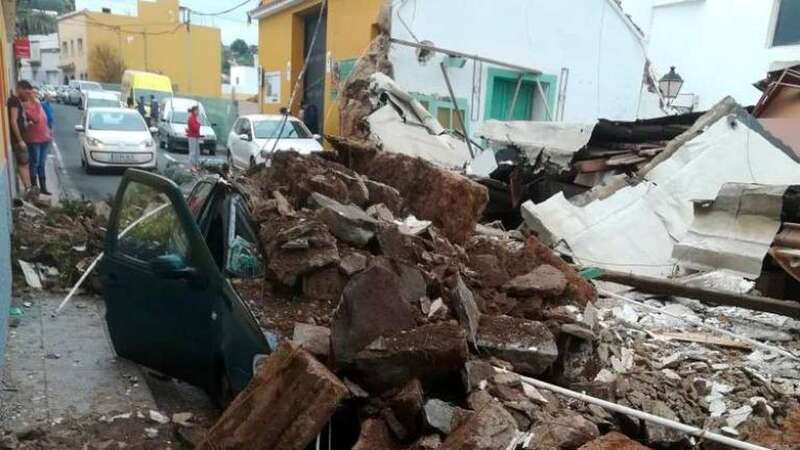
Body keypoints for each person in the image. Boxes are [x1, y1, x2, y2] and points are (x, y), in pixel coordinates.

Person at [23, 86, 53, 196]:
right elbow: (35, 119)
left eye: (36, 93)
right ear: (28, 95)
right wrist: (36, 105)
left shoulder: (40, 106)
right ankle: (35, 188)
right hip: (34, 139)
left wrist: (50, 131)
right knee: (34, 163)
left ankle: (44, 187)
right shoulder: (27, 106)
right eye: (33, 93)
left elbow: (46, 120)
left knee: (42, 163)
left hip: (45, 138)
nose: (35, 95)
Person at [7, 81, 32, 192]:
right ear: (20, 89)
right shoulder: (14, 101)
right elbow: (13, 121)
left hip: (22, 138)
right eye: (26, 93)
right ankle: (28, 189)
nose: (28, 95)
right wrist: (20, 140)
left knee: (25, 163)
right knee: (23, 164)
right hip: (18, 140)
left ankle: (30, 188)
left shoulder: (18, 101)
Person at [186, 105, 202, 172]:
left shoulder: (195, 117)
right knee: (192, 152)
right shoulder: (191, 118)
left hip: (196, 136)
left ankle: (196, 165)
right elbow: (195, 128)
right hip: (192, 136)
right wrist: (198, 123)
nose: (198, 112)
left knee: (197, 152)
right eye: (197, 110)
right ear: (194, 111)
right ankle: (191, 166)